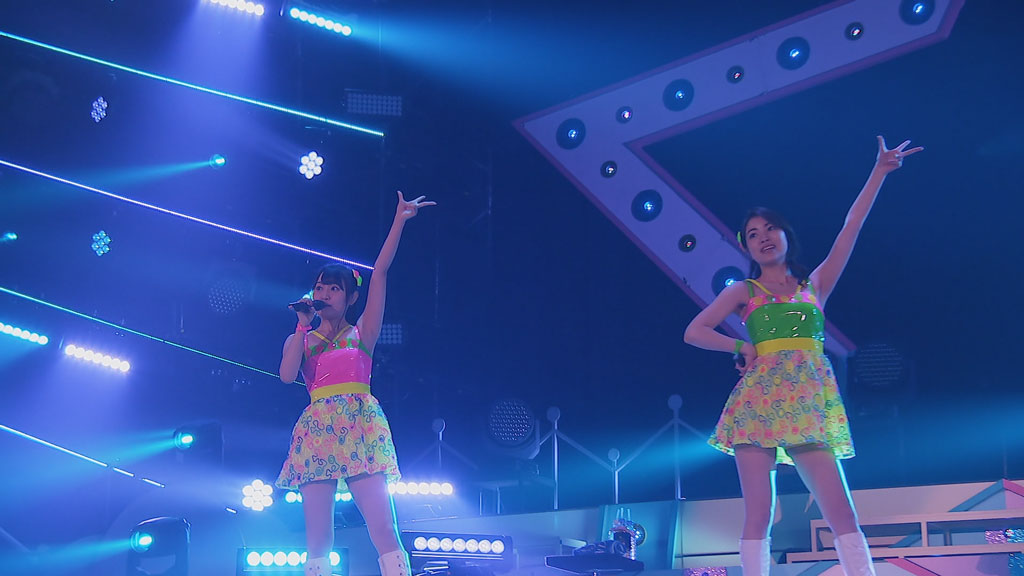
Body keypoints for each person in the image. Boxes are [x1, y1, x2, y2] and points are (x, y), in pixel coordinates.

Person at [683, 136, 922, 576]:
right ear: (746, 247)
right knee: (759, 513)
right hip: (758, 404)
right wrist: (741, 346)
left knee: (842, 512)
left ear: (784, 234)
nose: (763, 238)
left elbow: (851, 226)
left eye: (769, 229)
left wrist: (879, 172)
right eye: (753, 235)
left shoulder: (815, 285)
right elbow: (694, 331)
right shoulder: (743, 291)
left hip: (807, 405)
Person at [276, 191, 436, 576]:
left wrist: (399, 221)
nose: (324, 294)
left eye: (333, 288)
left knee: (383, 527)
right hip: (318, 430)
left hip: (360, 426)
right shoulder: (301, 338)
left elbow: (379, 272)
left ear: (350, 296)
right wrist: (301, 326)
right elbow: (286, 375)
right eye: (319, 287)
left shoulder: (362, 332)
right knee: (318, 540)